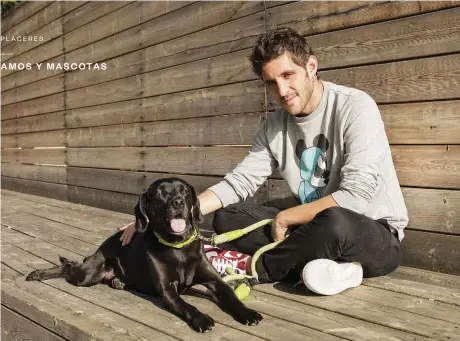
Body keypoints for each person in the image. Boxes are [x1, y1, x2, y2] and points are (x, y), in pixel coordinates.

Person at [120, 27, 408, 296]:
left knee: (335, 222)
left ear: (311, 66)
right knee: (227, 217)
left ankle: (254, 268)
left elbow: (356, 197)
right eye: (271, 82)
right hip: (310, 227)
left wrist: (286, 218)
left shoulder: (355, 107)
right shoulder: (274, 127)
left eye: (288, 75)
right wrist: (174, 217)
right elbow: (240, 182)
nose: (281, 91)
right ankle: (330, 268)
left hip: (372, 233)